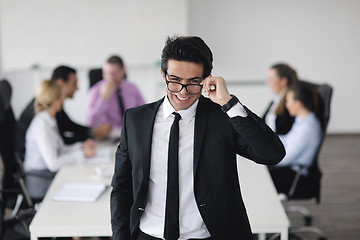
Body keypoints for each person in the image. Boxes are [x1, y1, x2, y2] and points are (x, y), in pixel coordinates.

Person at [110, 36, 286, 240]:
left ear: (206, 79)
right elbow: (121, 188)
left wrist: (228, 103)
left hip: (209, 235)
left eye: (193, 82)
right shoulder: (135, 119)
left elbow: (272, 154)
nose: (183, 92)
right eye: (175, 81)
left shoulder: (222, 118)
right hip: (148, 235)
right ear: (163, 73)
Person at [23, 80, 97, 200]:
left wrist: (81, 146)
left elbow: (61, 148)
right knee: (80, 187)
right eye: (62, 97)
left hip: (49, 174)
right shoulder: (41, 125)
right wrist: (81, 154)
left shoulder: (50, 120)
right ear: (56, 100)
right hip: (41, 180)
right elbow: (53, 164)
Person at [15, 66, 97, 160]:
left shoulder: (50, 113)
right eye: (74, 83)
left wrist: (87, 137)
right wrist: (89, 138)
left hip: (50, 160)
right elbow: (60, 146)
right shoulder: (41, 118)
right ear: (61, 84)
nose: (77, 88)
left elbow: (67, 129)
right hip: (36, 163)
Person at [269, 82, 322, 195]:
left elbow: (285, 158)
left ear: (297, 104)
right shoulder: (302, 120)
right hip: (288, 168)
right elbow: (287, 140)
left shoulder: (307, 128)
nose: (286, 105)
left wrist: (263, 157)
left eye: (288, 101)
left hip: (294, 176)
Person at [86, 55, 145, 139]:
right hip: (107, 138)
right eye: (106, 73)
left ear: (123, 71)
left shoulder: (132, 88)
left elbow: (144, 113)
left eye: (113, 74)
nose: (109, 77)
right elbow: (91, 122)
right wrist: (103, 99)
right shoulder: (95, 91)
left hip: (131, 135)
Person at [263, 63, 298, 135]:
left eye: (271, 79)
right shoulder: (276, 99)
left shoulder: (289, 103)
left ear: (283, 81)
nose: (268, 82)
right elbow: (262, 120)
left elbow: (284, 131)